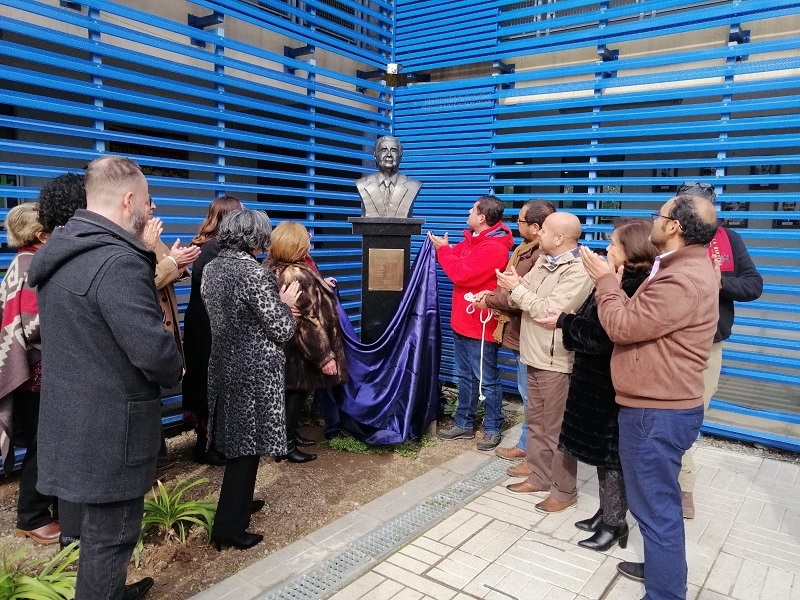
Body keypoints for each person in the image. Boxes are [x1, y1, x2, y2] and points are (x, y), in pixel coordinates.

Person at [28, 156, 183, 600]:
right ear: (129, 199)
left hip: (72, 423)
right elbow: (153, 351)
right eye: (149, 202)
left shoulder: (62, 252)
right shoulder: (117, 262)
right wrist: (175, 366)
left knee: (96, 539)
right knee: (110, 540)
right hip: (111, 432)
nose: (151, 211)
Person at [580, 195, 719, 599]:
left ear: (674, 226)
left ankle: (666, 592)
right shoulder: (683, 266)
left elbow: (622, 327)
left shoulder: (683, 277)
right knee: (658, 504)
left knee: (655, 509)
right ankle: (665, 571)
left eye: (660, 215)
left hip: (656, 412)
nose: (653, 221)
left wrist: (606, 281)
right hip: (659, 406)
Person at [536, 220, 657, 551]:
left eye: (614, 245)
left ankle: (614, 523)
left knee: (612, 456)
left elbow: (601, 338)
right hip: (594, 381)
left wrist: (564, 320)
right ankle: (606, 511)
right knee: (604, 458)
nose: (607, 250)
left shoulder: (633, 286)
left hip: (609, 384)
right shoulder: (614, 280)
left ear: (631, 253)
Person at [202, 209, 300, 551]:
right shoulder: (255, 275)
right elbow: (282, 328)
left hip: (224, 364)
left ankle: (240, 505)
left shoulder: (212, 267)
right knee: (246, 449)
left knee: (237, 442)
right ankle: (229, 528)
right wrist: (285, 304)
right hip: (253, 372)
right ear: (256, 237)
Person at [675, 181, 763, 518]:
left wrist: (719, 281)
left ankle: (681, 483)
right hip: (667, 339)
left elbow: (754, 285)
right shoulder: (665, 238)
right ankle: (679, 484)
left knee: (690, 415)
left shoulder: (730, 241)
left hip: (708, 343)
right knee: (667, 413)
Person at [496, 212, 593, 513]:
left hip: (556, 360)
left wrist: (518, 290)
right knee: (535, 422)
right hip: (532, 354)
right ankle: (539, 476)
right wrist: (514, 288)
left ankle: (564, 491)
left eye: (545, 231)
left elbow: (549, 311)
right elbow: (520, 299)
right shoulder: (543, 260)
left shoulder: (579, 270)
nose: (539, 235)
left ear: (560, 238)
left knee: (556, 429)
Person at [473, 199, 555, 471]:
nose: (514, 225)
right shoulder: (525, 251)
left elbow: (518, 297)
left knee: (533, 396)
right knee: (529, 393)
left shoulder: (540, 256)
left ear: (535, 226)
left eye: (519, 221)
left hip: (532, 336)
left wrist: (491, 301)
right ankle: (528, 447)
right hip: (522, 333)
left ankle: (533, 454)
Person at [428, 196, 513, 451]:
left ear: (482, 218)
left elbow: (460, 273)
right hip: (463, 321)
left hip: (481, 325)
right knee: (465, 376)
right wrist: (446, 248)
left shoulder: (494, 248)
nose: (468, 211)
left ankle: (492, 427)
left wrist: (443, 251)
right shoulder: (473, 241)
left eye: (472, 209)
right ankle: (464, 423)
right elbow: (458, 259)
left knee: (486, 380)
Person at [35, 173, 89, 550]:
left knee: (70, 463)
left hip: (61, 375)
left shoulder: (50, 254)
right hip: (87, 379)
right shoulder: (83, 256)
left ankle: (71, 537)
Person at [0, 204, 60, 545]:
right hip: (36, 373)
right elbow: (34, 326)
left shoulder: (22, 261)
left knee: (43, 443)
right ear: (42, 235)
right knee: (44, 444)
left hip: (29, 371)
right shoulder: (34, 264)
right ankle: (32, 517)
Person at [268, 221, 348, 463]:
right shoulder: (295, 274)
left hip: (290, 348)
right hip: (298, 350)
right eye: (306, 239)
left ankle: (289, 437)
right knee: (293, 394)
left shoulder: (281, 268)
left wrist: (323, 286)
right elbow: (306, 322)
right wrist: (324, 356)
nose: (310, 242)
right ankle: (286, 444)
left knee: (293, 394)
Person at [182, 195, 243, 465]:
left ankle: (208, 442)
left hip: (201, 323)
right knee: (211, 382)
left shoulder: (204, 246)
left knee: (204, 380)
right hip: (210, 326)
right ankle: (208, 446)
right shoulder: (215, 250)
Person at [355, 136, 422, 218]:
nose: (389, 155)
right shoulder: (362, 184)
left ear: (400, 156)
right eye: (384, 150)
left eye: (393, 150)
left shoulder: (413, 185)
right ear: (375, 155)